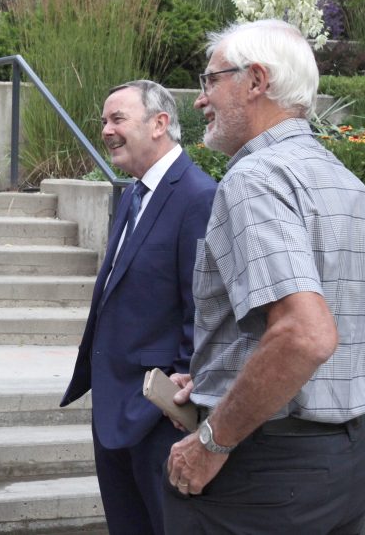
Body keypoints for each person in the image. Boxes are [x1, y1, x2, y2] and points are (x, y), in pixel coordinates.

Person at [163, 20, 365, 534]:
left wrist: (212, 441)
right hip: (343, 466)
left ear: (256, 81)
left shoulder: (256, 178)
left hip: (263, 475)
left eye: (211, 80)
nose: (201, 100)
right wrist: (227, 371)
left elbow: (306, 335)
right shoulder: (344, 180)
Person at [60, 80, 216, 535]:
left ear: (160, 124)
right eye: (104, 120)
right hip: (114, 403)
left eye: (117, 119)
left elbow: (202, 308)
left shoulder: (197, 195)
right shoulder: (132, 194)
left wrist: (176, 396)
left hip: (158, 415)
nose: (106, 130)